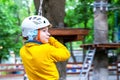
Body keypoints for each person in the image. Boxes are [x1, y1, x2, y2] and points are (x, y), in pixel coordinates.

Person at [20, 15, 71, 80]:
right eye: (44, 31)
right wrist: (52, 40)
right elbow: (66, 54)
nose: (48, 34)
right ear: (33, 33)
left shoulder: (23, 50)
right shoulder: (47, 49)